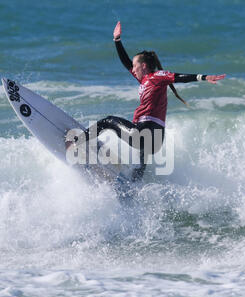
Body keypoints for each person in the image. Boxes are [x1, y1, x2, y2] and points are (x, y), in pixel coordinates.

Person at [76, 21, 226, 182]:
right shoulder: (145, 80)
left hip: (144, 132)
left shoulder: (156, 77)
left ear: (144, 66)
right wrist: (117, 40)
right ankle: (133, 188)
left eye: (135, 66)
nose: (132, 70)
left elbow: (178, 77)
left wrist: (202, 77)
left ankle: (78, 142)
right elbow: (126, 62)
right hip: (155, 139)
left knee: (108, 121)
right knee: (141, 159)